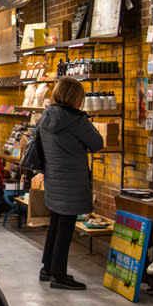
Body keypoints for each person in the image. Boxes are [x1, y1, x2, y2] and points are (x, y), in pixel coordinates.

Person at [38, 77, 103, 290]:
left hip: (54, 178)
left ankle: (47, 268)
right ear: (75, 97)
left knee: (56, 223)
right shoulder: (76, 120)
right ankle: (59, 274)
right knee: (65, 228)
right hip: (72, 180)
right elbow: (97, 143)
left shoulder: (46, 115)